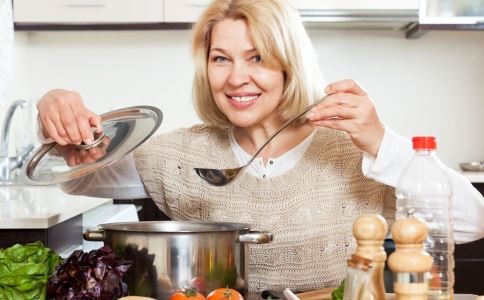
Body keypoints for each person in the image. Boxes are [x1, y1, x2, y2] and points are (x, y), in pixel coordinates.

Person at [36, 0, 484, 293]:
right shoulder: (178, 155)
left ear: (289, 65)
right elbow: (79, 174)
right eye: (220, 59)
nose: (235, 78)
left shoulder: (351, 153)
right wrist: (56, 116)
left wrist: (380, 141)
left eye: (257, 58)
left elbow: (471, 222)